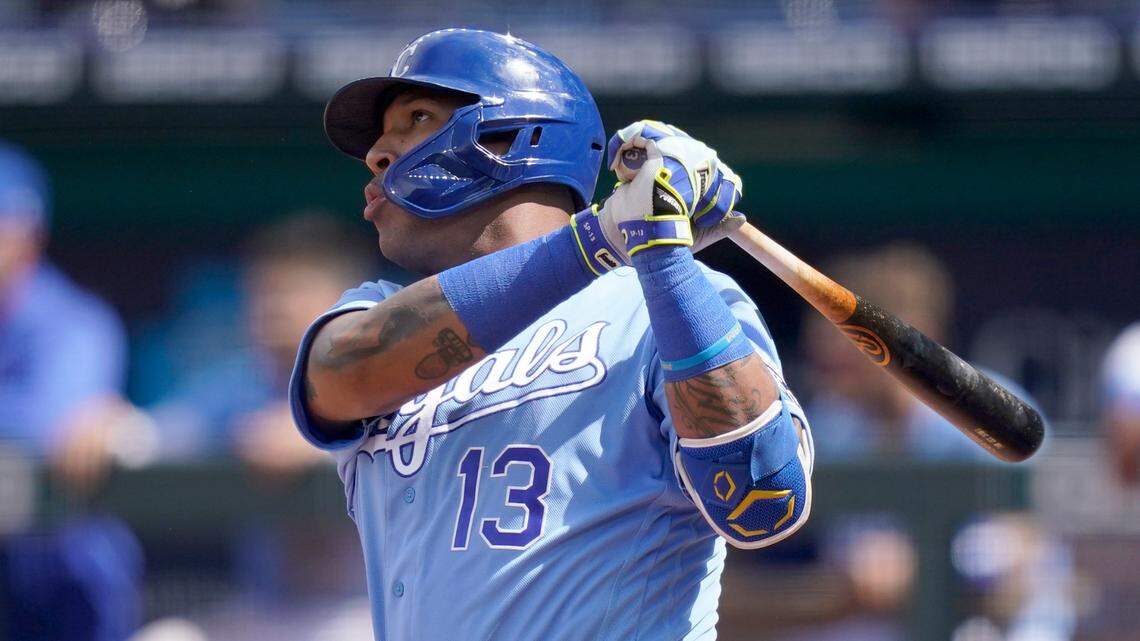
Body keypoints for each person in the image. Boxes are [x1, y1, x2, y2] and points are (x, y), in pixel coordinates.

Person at [289, 29, 815, 641]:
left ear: (513, 136)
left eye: (417, 118)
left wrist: (663, 261)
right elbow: (343, 375)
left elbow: (763, 500)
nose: (377, 153)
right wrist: (605, 234)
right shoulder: (379, 311)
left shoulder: (665, 303)